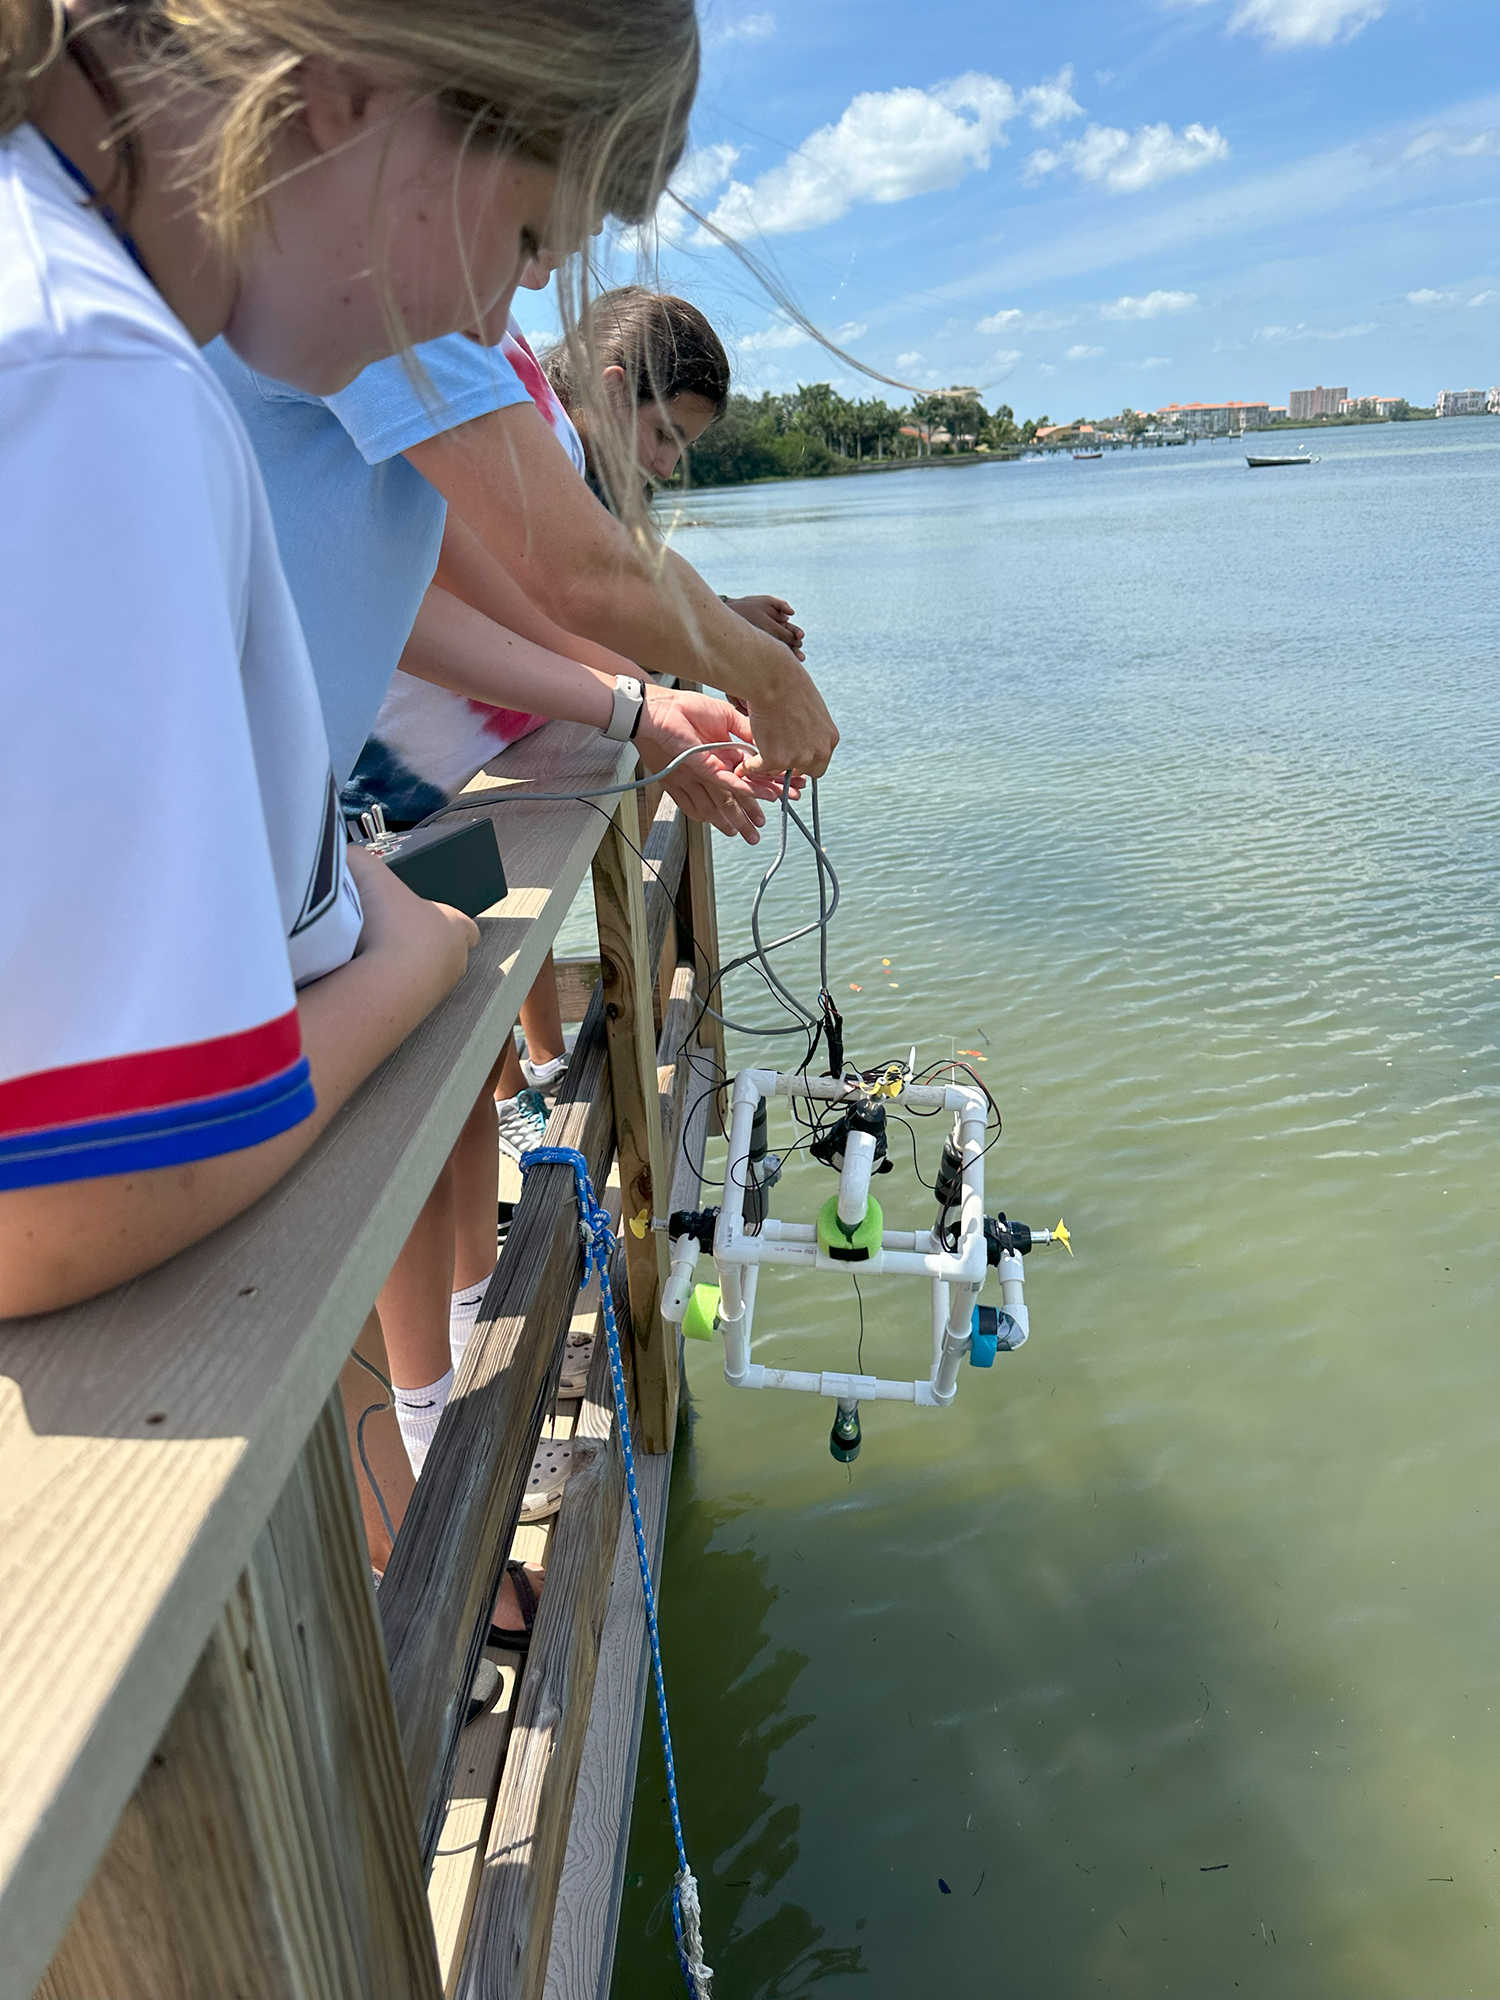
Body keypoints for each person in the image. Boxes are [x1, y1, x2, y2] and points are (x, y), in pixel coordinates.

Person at [0, 0, 702, 1329]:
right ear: (354, 92)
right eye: (525, 239)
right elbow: (47, 1217)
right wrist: (418, 965)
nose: (497, 312)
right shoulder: (88, 375)